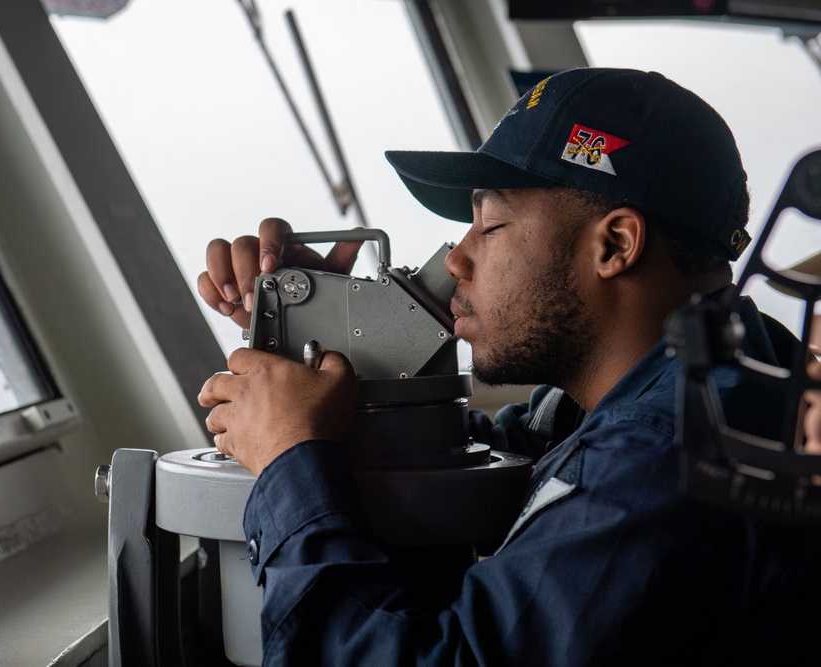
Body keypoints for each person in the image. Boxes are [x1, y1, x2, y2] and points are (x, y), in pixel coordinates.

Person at [196, 68, 821, 665]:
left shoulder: (662, 460)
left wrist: (287, 460)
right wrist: (336, 334)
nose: (458, 261)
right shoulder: (718, 371)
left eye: (490, 225)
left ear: (615, 245)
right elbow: (494, 457)